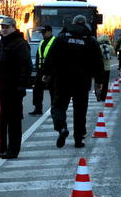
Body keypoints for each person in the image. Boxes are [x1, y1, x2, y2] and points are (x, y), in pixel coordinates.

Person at [43, 15, 104, 148]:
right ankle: (78, 139)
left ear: (73, 23)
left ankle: (62, 128)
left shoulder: (62, 37)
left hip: (62, 79)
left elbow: (51, 56)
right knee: (80, 110)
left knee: (58, 106)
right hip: (82, 81)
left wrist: (46, 73)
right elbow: (98, 63)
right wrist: (99, 81)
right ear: (85, 24)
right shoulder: (90, 40)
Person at [0, 17, 32, 159]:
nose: (3, 29)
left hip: (14, 89)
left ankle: (13, 150)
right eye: (2, 27)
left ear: (14, 27)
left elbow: (25, 66)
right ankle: (0, 148)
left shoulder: (20, 44)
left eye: (6, 27)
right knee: (0, 120)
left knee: (13, 121)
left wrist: (22, 85)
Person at [29, 25, 56, 116]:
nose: (42, 34)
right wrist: (37, 68)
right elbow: (38, 56)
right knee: (37, 90)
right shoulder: (42, 42)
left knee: (53, 91)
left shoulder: (55, 42)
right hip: (41, 71)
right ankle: (37, 109)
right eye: (42, 33)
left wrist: (51, 72)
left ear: (49, 32)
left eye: (44, 32)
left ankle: (54, 109)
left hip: (52, 72)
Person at [97, 34, 116, 101]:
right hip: (107, 68)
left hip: (99, 67)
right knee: (105, 83)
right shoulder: (110, 47)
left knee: (98, 82)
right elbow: (114, 53)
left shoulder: (98, 47)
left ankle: (98, 95)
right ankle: (103, 96)